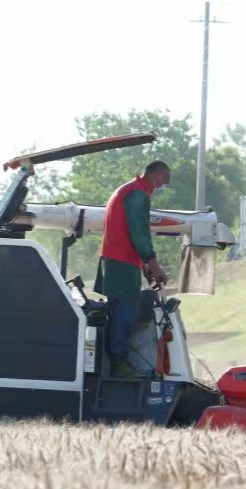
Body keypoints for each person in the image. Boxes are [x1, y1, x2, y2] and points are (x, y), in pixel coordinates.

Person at [95, 160, 171, 376]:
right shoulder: (138, 194)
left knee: (117, 311)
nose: (161, 187)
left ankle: (114, 361)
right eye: (164, 182)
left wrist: (144, 263)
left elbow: (127, 229)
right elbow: (139, 231)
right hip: (122, 261)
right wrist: (152, 262)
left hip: (115, 259)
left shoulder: (126, 190)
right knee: (125, 312)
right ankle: (119, 363)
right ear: (157, 175)